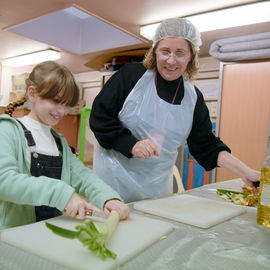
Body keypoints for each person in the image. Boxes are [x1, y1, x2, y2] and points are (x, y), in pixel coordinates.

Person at [90, 18, 260, 203]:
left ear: (191, 57)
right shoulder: (131, 76)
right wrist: (131, 144)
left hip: (155, 193)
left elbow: (206, 145)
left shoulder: (193, 98)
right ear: (155, 52)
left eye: (180, 53)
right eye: (165, 51)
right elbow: (100, 118)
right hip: (112, 188)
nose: (171, 60)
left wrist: (246, 171)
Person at [0, 61, 129, 230]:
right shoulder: (7, 130)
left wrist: (108, 198)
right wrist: (60, 193)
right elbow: (5, 182)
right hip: (16, 235)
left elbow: (84, 177)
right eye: (56, 101)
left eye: (67, 104)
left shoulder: (58, 141)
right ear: (32, 94)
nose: (61, 111)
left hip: (51, 230)